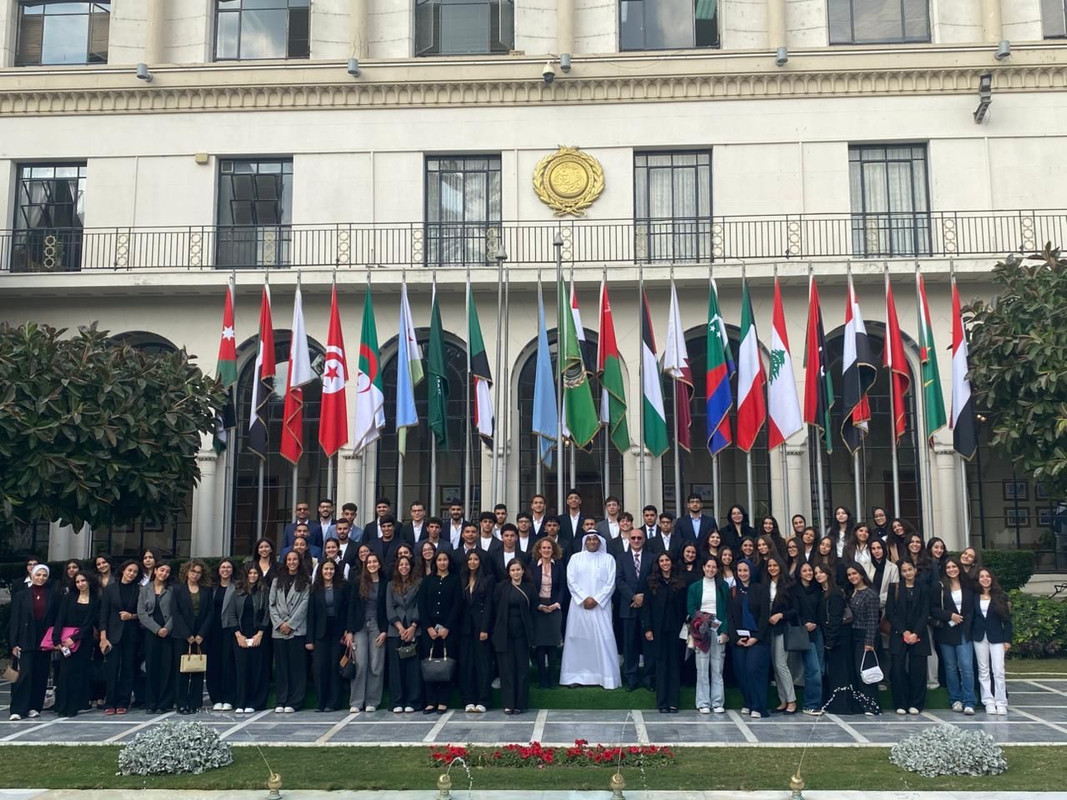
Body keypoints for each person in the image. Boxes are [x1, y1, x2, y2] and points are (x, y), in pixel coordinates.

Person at [560, 533, 622, 689]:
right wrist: (583, 598)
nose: (592, 542)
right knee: (578, 640)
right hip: (579, 607)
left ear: (600, 542)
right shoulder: (575, 558)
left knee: (604, 639)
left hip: (601, 607)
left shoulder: (608, 559)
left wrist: (596, 599)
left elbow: (611, 583)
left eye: (595, 539)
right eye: (589, 539)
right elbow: (571, 581)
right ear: (584, 542)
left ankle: (605, 678)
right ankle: (575, 676)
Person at [8, 563, 55, 721]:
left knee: (40, 674)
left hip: (43, 641)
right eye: (38, 575)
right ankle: (17, 709)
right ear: (32, 575)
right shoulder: (21, 595)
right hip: (25, 639)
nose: (41, 578)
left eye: (44, 575)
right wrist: (13, 643)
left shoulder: (51, 595)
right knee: (24, 674)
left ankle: (34, 707)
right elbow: (15, 620)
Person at [642, 552, 686, 713]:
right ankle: (662, 703)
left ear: (671, 562)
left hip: (675, 629)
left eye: (667, 560)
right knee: (661, 666)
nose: (665, 563)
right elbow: (646, 607)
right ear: (658, 564)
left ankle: (673, 702)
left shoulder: (680, 582)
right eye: (661, 561)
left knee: (674, 665)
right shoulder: (651, 582)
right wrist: (648, 628)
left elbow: (683, 608)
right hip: (657, 630)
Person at [51, 570, 99, 718]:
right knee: (65, 673)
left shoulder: (96, 599)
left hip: (84, 641)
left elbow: (90, 623)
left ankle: (74, 706)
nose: (80, 584)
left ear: (89, 581)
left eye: (83, 580)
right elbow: (60, 618)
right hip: (66, 641)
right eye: (78, 581)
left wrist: (76, 637)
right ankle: (62, 706)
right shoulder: (69, 597)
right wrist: (56, 639)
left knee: (79, 673)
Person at [932, 556, 976, 715]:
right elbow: (934, 609)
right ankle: (955, 699)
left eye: (954, 567)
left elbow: (973, 607)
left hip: (964, 631)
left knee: (966, 667)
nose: (951, 569)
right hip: (946, 631)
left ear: (959, 567)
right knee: (950, 667)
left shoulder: (969, 585)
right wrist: (950, 615)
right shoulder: (940, 586)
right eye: (948, 567)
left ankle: (969, 700)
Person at [225, 562, 271, 713]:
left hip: (258, 635)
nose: (252, 576)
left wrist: (260, 633)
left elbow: (266, 613)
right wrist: (238, 635)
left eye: (255, 573)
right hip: (240, 635)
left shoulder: (264, 591)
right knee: (241, 669)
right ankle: (241, 702)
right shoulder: (237, 591)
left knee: (257, 669)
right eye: (250, 573)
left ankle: (254, 702)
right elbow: (231, 614)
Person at [419, 550, 462, 713]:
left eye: (445, 560)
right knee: (429, 663)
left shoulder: (455, 580)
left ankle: (443, 700)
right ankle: (430, 700)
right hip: (429, 629)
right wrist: (428, 627)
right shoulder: (427, 581)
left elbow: (457, 605)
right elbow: (421, 605)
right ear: (435, 562)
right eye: (439, 560)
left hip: (448, 630)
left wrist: (447, 627)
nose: (442, 562)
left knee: (445, 663)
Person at [885, 559, 929, 715]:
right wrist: (904, 632)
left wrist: (915, 632)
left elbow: (925, 612)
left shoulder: (923, 587)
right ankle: (900, 703)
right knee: (897, 669)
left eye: (910, 569)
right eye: (904, 570)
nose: (908, 573)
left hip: (919, 633)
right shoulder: (894, 588)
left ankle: (916, 703)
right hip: (899, 633)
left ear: (915, 569)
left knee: (918, 669)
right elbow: (890, 612)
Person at [345, 553, 388, 713]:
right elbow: (350, 606)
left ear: (379, 564)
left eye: (374, 561)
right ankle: (356, 702)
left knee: (376, 665)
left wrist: (384, 631)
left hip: (378, 627)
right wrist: (349, 631)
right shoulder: (358, 582)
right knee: (360, 664)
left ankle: (372, 701)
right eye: (369, 562)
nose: (372, 564)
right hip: (360, 627)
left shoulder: (385, 583)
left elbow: (387, 608)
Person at [99, 560, 142, 715]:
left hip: (131, 634)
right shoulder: (110, 590)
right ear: (123, 570)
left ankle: (123, 702)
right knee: (112, 669)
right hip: (112, 634)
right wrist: (103, 637)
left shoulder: (139, 590)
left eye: (135, 572)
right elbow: (103, 614)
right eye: (129, 570)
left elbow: (142, 613)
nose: (131, 574)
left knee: (128, 668)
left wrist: (131, 616)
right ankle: (110, 702)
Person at [269, 550, 311, 713]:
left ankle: (295, 701)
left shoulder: (305, 582)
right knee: (281, 667)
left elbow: (304, 605)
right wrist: (280, 624)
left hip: (296, 630)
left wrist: (290, 624)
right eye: (289, 559)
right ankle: (281, 700)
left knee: (296, 667)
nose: (292, 562)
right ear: (285, 562)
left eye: (295, 559)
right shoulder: (276, 581)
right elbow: (271, 605)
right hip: (279, 631)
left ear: (299, 562)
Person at [493, 560, 536, 714]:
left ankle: (520, 704)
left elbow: (533, 611)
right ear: (508, 572)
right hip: (504, 633)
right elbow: (495, 609)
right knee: (506, 669)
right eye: (513, 570)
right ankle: (509, 703)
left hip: (522, 634)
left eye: (518, 569)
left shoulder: (530, 588)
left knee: (522, 669)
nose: (516, 573)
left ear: (523, 571)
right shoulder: (501, 587)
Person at [688, 555, 730, 714]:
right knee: (702, 666)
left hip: (718, 629)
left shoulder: (723, 586)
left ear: (717, 569)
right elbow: (691, 608)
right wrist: (702, 620)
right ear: (703, 568)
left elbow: (727, 610)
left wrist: (725, 631)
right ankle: (703, 702)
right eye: (708, 566)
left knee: (718, 667)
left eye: (714, 567)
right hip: (701, 630)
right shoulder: (695, 587)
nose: (711, 569)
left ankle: (717, 702)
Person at [729, 560, 770, 718]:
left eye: (745, 570)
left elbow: (764, 615)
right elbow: (731, 616)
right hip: (739, 639)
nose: (742, 573)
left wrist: (756, 637)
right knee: (742, 671)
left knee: (753, 670)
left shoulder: (761, 589)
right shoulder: (733, 591)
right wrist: (735, 638)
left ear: (751, 571)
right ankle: (748, 702)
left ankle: (758, 706)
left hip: (757, 638)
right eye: (739, 570)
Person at [615, 526, 654, 691]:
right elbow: (619, 580)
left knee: (648, 644)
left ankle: (649, 678)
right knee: (629, 644)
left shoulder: (652, 557)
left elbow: (654, 579)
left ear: (644, 540)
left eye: (639, 538)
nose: (636, 541)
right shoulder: (621, 557)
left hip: (647, 607)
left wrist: (643, 597)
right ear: (629, 540)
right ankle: (631, 677)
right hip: (628, 606)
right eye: (633, 538)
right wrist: (633, 597)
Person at [306, 559, 348, 712]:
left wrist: (347, 630)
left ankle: (333, 702)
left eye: (331, 569)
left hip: (338, 631)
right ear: (321, 571)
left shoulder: (342, 587)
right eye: (325, 569)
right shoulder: (314, 589)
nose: (328, 572)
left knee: (334, 666)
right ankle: (320, 702)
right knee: (319, 667)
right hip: (320, 632)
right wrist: (309, 639)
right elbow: (310, 615)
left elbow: (347, 609)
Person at [172, 559, 212, 715]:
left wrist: (201, 633)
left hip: (201, 634)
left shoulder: (206, 590)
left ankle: (195, 702)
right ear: (187, 572)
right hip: (182, 635)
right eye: (193, 571)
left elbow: (210, 613)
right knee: (182, 669)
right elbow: (176, 613)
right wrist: (187, 634)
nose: (195, 575)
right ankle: (181, 702)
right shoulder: (178, 590)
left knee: (198, 668)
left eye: (198, 572)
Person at [972, 567, 1013, 716]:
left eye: (987, 576)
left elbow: (1008, 620)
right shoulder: (974, 596)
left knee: (999, 670)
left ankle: (1001, 701)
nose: (985, 579)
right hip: (978, 637)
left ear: (992, 578)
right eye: (981, 576)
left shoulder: (1001, 596)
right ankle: (988, 701)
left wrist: (1007, 640)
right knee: (983, 671)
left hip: (997, 637)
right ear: (978, 580)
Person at [458, 550, 494, 713]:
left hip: (481, 626)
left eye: (476, 559)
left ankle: (483, 700)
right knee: (466, 664)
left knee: (483, 664)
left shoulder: (488, 579)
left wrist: (485, 628)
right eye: (470, 559)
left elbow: (489, 605)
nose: (472, 562)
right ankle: (468, 699)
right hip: (465, 627)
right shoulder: (462, 578)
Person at [814, 563, 853, 714]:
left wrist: (830, 641)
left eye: (821, 572)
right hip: (828, 638)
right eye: (816, 572)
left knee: (840, 673)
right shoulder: (822, 592)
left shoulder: (835, 593)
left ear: (828, 574)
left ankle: (841, 705)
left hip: (838, 639)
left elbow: (836, 619)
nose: (818, 575)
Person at [138, 561, 176, 714]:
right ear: (155, 571)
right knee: (151, 667)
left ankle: (164, 702)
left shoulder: (172, 590)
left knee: (166, 667)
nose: (164, 573)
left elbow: (176, 611)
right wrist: (156, 629)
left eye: (167, 571)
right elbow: (141, 613)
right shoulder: (144, 589)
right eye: (161, 570)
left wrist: (167, 628)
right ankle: (151, 702)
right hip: (151, 631)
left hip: (168, 631)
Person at [385, 555, 422, 713]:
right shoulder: (391, 585)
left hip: (414, 628)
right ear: (397, 567)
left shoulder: (419, 582)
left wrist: (413, 626)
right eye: (401, 564)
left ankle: (413, 701)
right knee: (396, 669)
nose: (404, 567)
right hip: (396, 630)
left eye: (407, 564)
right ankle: (397, 701)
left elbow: (420, 604)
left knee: (413, 668)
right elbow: (389, 607)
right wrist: (400, 628)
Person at [844, 563, 880, 716]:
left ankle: (872, 705)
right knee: (855, 671)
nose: (852, 577)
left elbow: (873, 620)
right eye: (849, 575)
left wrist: (869, 642)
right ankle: (860, 703)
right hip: (852, 635)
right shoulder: (851, 592)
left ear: (861, 574)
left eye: (855, 573)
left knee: (865, 671)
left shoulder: (870, 594)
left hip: (865, 636)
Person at [530, 537, 564, 689]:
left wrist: (556, 604)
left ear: (553, 550)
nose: (546, 550)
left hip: (554, 607)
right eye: (543, 548)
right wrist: (538, 605)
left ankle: (552, 679)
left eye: (549, 548)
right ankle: (542, 679)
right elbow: (530, 588)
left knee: (552, 645)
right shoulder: (532, 566)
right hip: (538, 608)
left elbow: (563, 587)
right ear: (539, 550)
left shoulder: (559, 566)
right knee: (540, 646)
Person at [765, 556, 798, 714]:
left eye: (775, 565)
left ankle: (792, 700)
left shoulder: (789, 585)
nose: (772, 567)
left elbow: (795, 610)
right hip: (768, 629)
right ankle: (783, 700)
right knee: (775, 665)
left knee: (781, 664)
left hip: (782, 628)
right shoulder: (765, 584)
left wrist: (781, 616)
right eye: (769, 565)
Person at [207, 558, 237, 711]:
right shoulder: (211, 588)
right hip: (212, 630)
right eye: (223, 567)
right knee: (213, 665)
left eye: (228, 567)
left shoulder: (236, 587)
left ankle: (228, 697)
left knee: (228, 664)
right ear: (218, 570)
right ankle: (216, 698)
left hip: (229, 629)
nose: (225, 570)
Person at [794, 562, 823, 715]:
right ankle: (810, 704)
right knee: (813, 670)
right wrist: (803, 624)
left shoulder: (818, 589)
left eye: (810, 570)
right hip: (804, 633)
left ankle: (814, 702)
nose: (808, 572)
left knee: (820, 669)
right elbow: (794, 611)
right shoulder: (796, 590)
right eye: (804, 570)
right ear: (799, 573)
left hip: (818, 632)